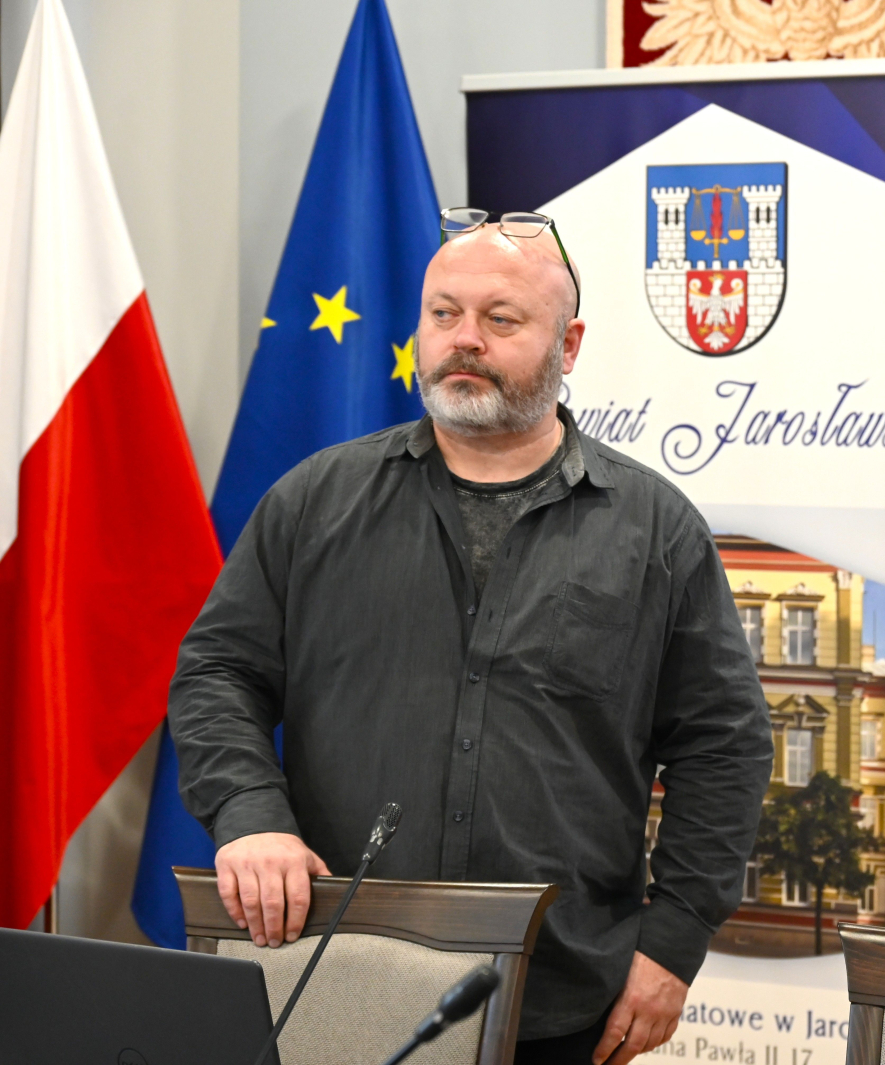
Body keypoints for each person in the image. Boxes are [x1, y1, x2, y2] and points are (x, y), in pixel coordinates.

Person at [169, 210, 774, 1065]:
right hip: (329, 977)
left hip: (560, 1003)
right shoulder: (314, 501)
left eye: (501, 318)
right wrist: (248, 813)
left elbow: (724, 745)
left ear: (569, 345)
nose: (464, 340)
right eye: (443, 313)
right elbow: (218, 672)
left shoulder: (656, 530)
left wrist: (673, 941)